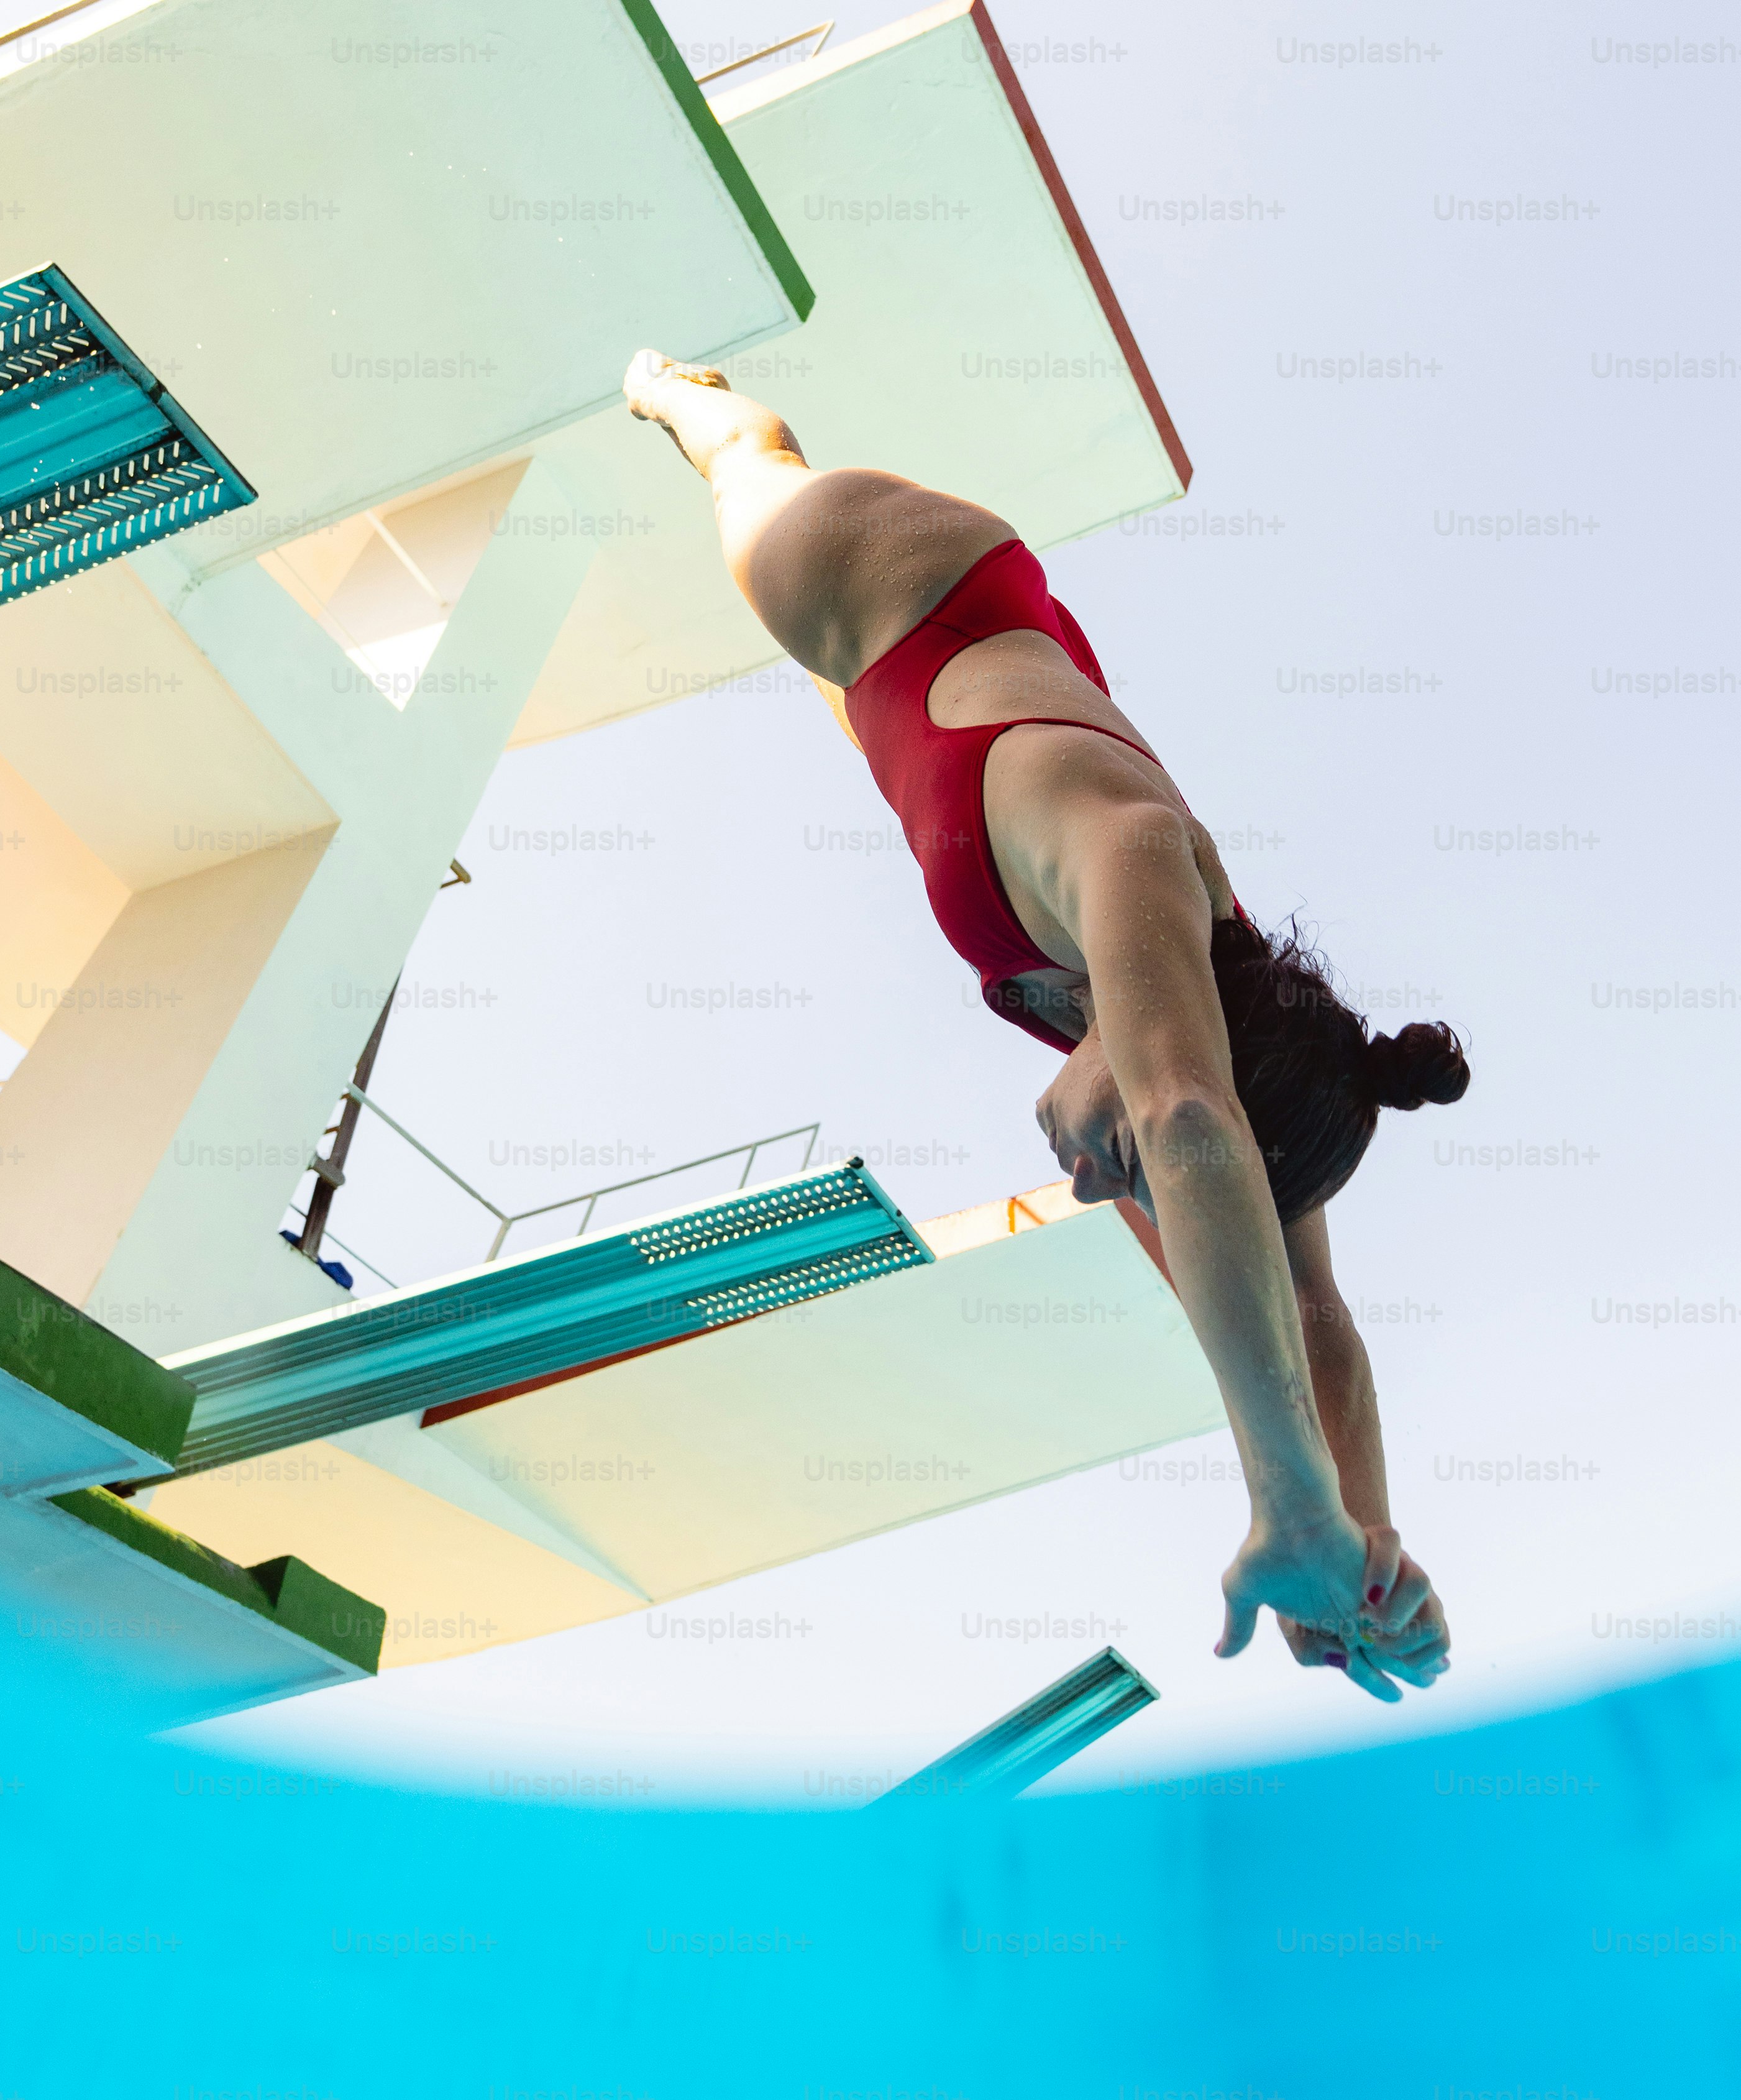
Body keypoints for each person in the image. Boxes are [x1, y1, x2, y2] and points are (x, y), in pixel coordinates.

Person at [624, 351, 1465, 1699]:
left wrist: (1361, 1556)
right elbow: (1187, 1119)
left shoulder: (1233, 1050)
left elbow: (1310, 1311)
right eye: (1141, 1161)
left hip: (975, 756)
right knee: (750, 473)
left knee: (1206, 1214)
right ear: (1172, 1040)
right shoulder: (1136, 856)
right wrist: (1288, 1502)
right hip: (911, 598)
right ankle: (684, 388)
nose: (1107, 1182)